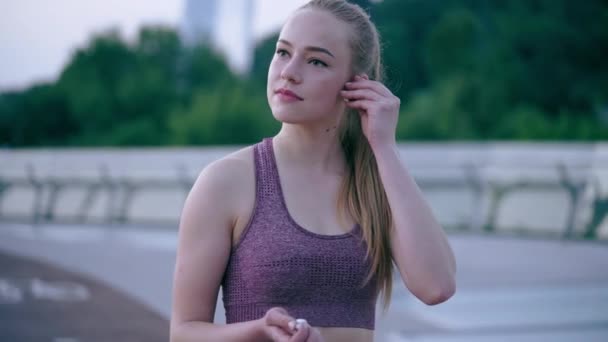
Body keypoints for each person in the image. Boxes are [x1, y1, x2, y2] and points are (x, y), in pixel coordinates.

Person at [169, 0, 456, 341]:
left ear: (355, 85)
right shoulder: (226, 181)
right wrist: (258, 332)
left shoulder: (375, 182)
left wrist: (385, 147)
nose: (289, 71)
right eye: (282, 52)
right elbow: (184, 333)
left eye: (317, 61)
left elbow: (436, 286)